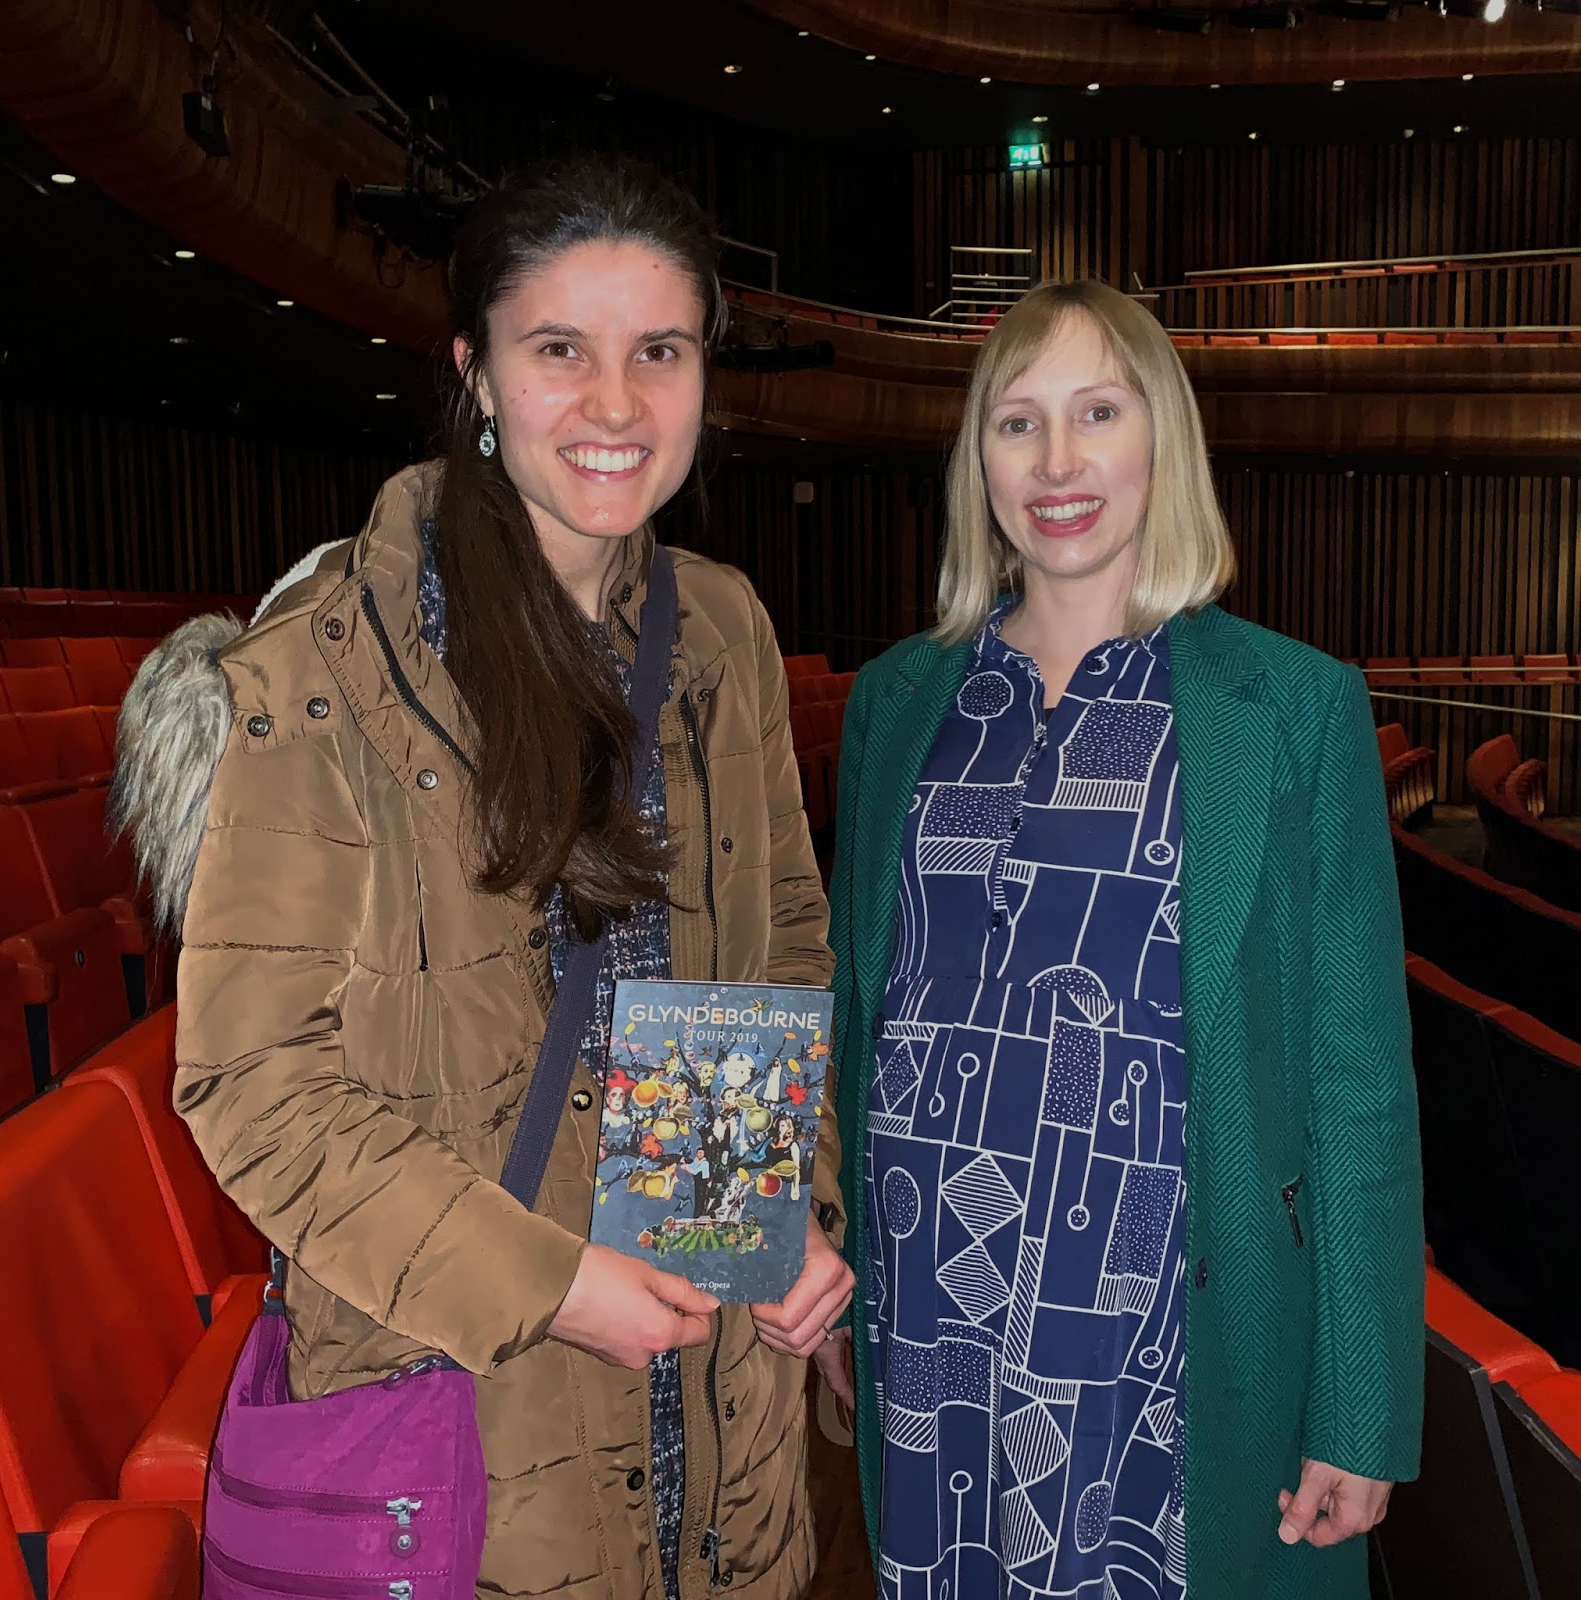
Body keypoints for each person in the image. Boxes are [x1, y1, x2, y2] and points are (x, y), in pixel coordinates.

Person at [115, 157, 854, 1600]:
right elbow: (256, 1082)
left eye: (661, 351)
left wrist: (780, 1217)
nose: (617, 405)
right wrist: (557, 1287)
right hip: (465, 1402)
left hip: (709, 1406)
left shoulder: (721, 632)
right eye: (559, 350)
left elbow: (776, 956)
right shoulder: (321, 671)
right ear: (477, 375)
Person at [822, 279, 1422, 1600]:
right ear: (978, 463)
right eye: (1017, 423)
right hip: (936, 1323)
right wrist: (843, 1267)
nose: (1057, 462)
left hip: (1175, 1337)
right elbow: (861, 1016)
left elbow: (1360, 1091)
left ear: (1165, 442)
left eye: (1098, 413)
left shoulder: (1292, 706)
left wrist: (1364, 1409)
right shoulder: (899, 703)